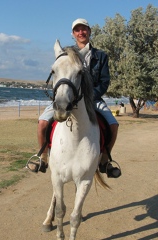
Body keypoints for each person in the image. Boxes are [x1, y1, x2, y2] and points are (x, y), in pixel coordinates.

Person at [28, 18, 121, 178]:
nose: (81, 32)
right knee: (43, 122)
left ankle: (105, 159)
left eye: (84, 29)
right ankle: (42, 157)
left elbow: (104, 81)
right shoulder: (66, 54)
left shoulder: (100, 56)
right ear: (73, 34)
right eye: (77, 30)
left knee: (113, 124)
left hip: (93, 99)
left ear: (89, 31)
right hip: (67, 98)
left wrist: (90, 96)